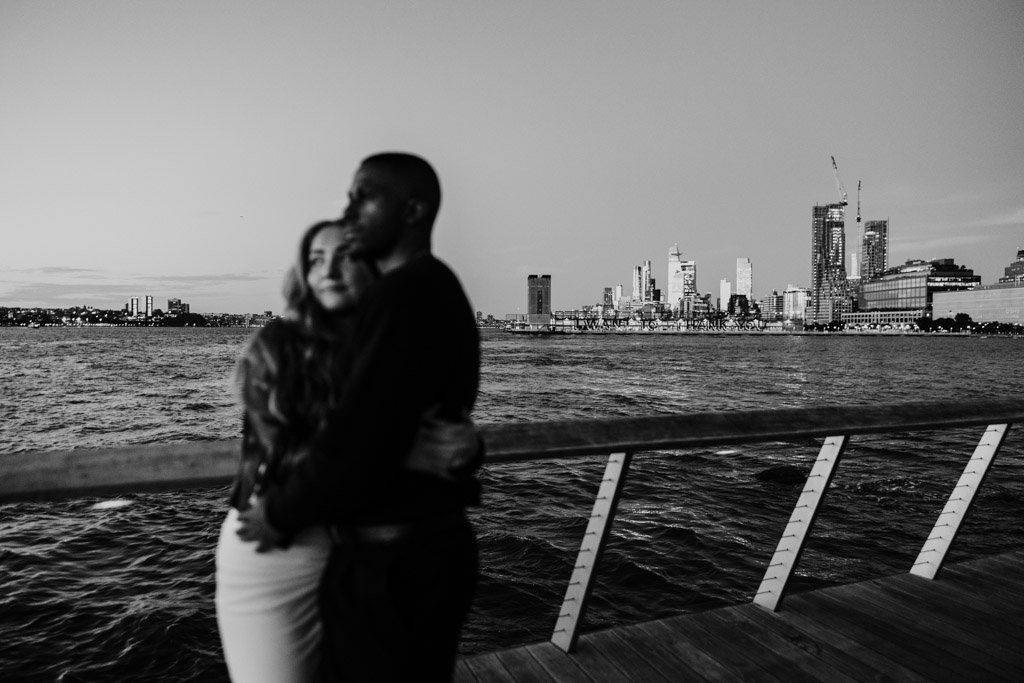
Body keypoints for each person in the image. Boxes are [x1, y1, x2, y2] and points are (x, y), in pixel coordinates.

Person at [243, 152, 482, 682]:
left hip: (395, 562)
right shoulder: (436, 288)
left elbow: (359, 437)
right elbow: (411, 417)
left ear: (414, 210)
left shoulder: (405, 295)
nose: (349, 209)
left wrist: (277, 513)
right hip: (418, 551)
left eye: (364, 195)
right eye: (349, 195)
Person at [215, 220, 375, 682]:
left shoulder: (380, 349)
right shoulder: (279, 344)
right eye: (316, 259)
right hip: (274, 548)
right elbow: (291, 454)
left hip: (353, 550)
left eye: (345, 255)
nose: (329, 269)